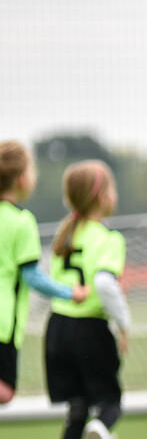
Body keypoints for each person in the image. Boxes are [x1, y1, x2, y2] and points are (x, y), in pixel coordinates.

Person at [45, 160, 129, 439]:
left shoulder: (65, 237)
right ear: (101, 196)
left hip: (57, 328)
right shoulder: (107, 238)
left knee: (75, 410)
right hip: (89, 330)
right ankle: (103, 427)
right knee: (110, 401)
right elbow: (104, 283)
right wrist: (123, 322)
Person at [1, 140, 89, 406]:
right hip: (3, 324)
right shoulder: (21, 221)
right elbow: (31, 276)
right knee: (5, 391)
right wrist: (69, 292)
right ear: (22, 178)